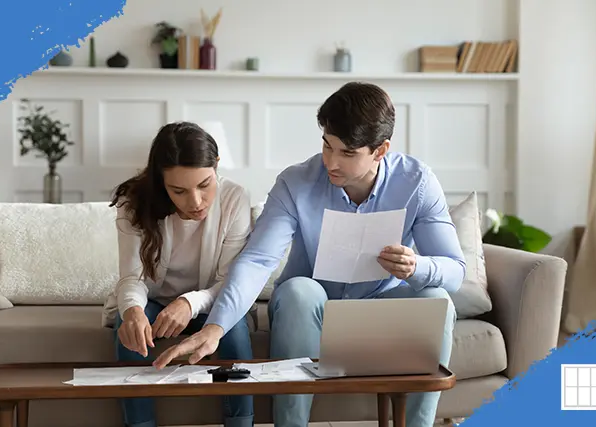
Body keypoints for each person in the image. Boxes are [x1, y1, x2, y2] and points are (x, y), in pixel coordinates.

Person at [152, 83, 466, 427]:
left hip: (383, 310)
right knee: (299, 290)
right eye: (327, 146)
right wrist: (215, 327)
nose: (330, 161)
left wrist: (417, 266)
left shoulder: (417, 182)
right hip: (312, 310)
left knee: (436, 297)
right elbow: (258, 260)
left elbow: (454, 271)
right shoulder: (296, 182)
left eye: (347, 153)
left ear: (380, 151)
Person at [101, 121, 254, 427]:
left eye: (204, 184)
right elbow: (132, 277)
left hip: (209, 301)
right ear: (161, 182)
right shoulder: (134, 202)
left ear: (217, 166)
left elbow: (230, 281)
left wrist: (188, 303)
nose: (195, 202)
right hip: (154, 300)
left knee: (233, 329)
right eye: (179, 190)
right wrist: (131, 310)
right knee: (129, 326)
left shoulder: (235, 199)